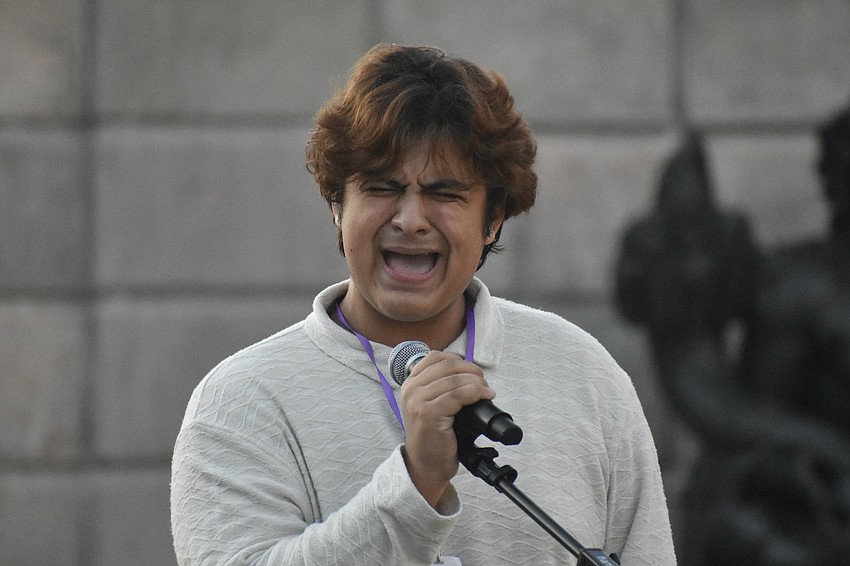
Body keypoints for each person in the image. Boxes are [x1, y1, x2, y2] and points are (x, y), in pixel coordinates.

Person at [171, 43, 676, 565]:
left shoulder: (582, 372)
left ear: (493, 219)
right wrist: (415, 481)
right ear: (336, 207)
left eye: (445, 193)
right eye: (381, 187)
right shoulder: (241, 401)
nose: (410, 219)